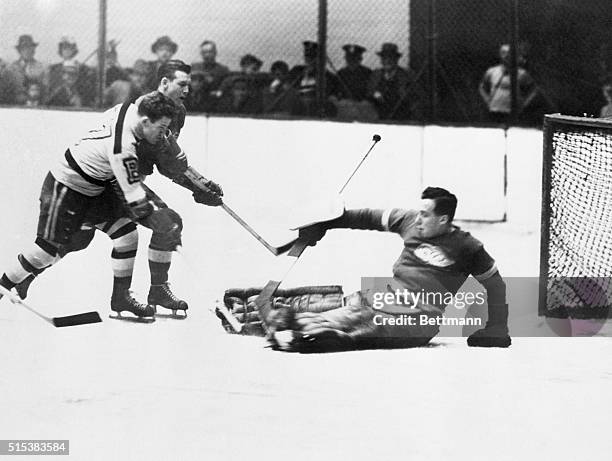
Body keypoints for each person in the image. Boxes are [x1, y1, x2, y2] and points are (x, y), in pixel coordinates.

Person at [13, 60, 224, 319]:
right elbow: (164, 163)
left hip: (119, 181)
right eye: (182, 84)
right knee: (87, 237)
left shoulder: (175, 112)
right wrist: (196, 184)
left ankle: (147, 292)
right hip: (115, 182)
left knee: (145, 229)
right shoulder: (144, 113)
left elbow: (169, 159)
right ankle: (22, 275)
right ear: (164, 83)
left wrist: (200, 184)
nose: (187, 91)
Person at [256, 187, 511, 352]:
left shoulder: (468, 247)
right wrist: (326, 222)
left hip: (419, 318)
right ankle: (281, 321)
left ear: (443, 220)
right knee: (339, 307)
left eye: (425, 215)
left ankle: (297, 335)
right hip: (383, 298)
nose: (418, 218)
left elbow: (495, 285)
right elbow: (365, 217)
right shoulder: (410, 220)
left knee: (351, 325)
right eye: (419, 212)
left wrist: (496, 329)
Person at [0, 92, 180, 319]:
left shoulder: (130, 108)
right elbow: (135, 199)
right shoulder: (123, 149)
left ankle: (120, 298)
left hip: (96, 188)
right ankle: (3, 283)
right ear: (145, 122)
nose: (163, 136)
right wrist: (161, 220)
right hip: (67, 187)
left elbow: (146, 99)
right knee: (46, 251)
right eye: (162, 129)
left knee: (126, 235)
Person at [478, 43, 538, 124]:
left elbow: (533, 89)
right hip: (494, 110)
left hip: (513, 111)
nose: (506, 55)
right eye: (503, 52)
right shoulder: (492, 71)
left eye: (508, 53)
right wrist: (488, 101)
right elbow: (482, 87)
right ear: (500, 54)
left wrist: (524, 103)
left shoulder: (521, 73)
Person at [288, 41, 341, 117]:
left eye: (312, 57)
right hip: (298, 102)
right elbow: (289, 85)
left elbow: (332, 93)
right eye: (307, 56)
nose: (309, 59)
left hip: (316, 104)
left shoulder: (327, 75)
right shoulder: (297, 70)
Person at [368, 42, 413, 120]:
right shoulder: (376, 74)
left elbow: (412, 96)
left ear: (396, 59)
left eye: (390, 58)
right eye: (384, 58)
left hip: (401, 113)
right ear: (381, 60)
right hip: (379, 111)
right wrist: (375, 94)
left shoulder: (406, 75)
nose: (387, 61)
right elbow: (369, 90)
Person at [47, 36, 96, 107]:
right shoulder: (53, 69)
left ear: (74, 50)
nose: (67, 51)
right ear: (61, 51)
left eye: (69, 48)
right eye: (64, 48)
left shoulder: (84, 69)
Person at [190, 40, 230, 112]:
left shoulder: (222, 70)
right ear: (201, 54)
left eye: (210, 51)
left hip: (215, 104)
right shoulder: (194, 67)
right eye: (204, 52)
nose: (207, 55)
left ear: (215, 53)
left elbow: (224, 89)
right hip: (195, 103)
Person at [7, 35, 46, 105]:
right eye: (24, 48)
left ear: (34, 50)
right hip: (14, 106)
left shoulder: (41, 68)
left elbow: (44, 91)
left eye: (30, 48)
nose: (27, 51)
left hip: (36, 106)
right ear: (19, 51)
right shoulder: (11, 68)